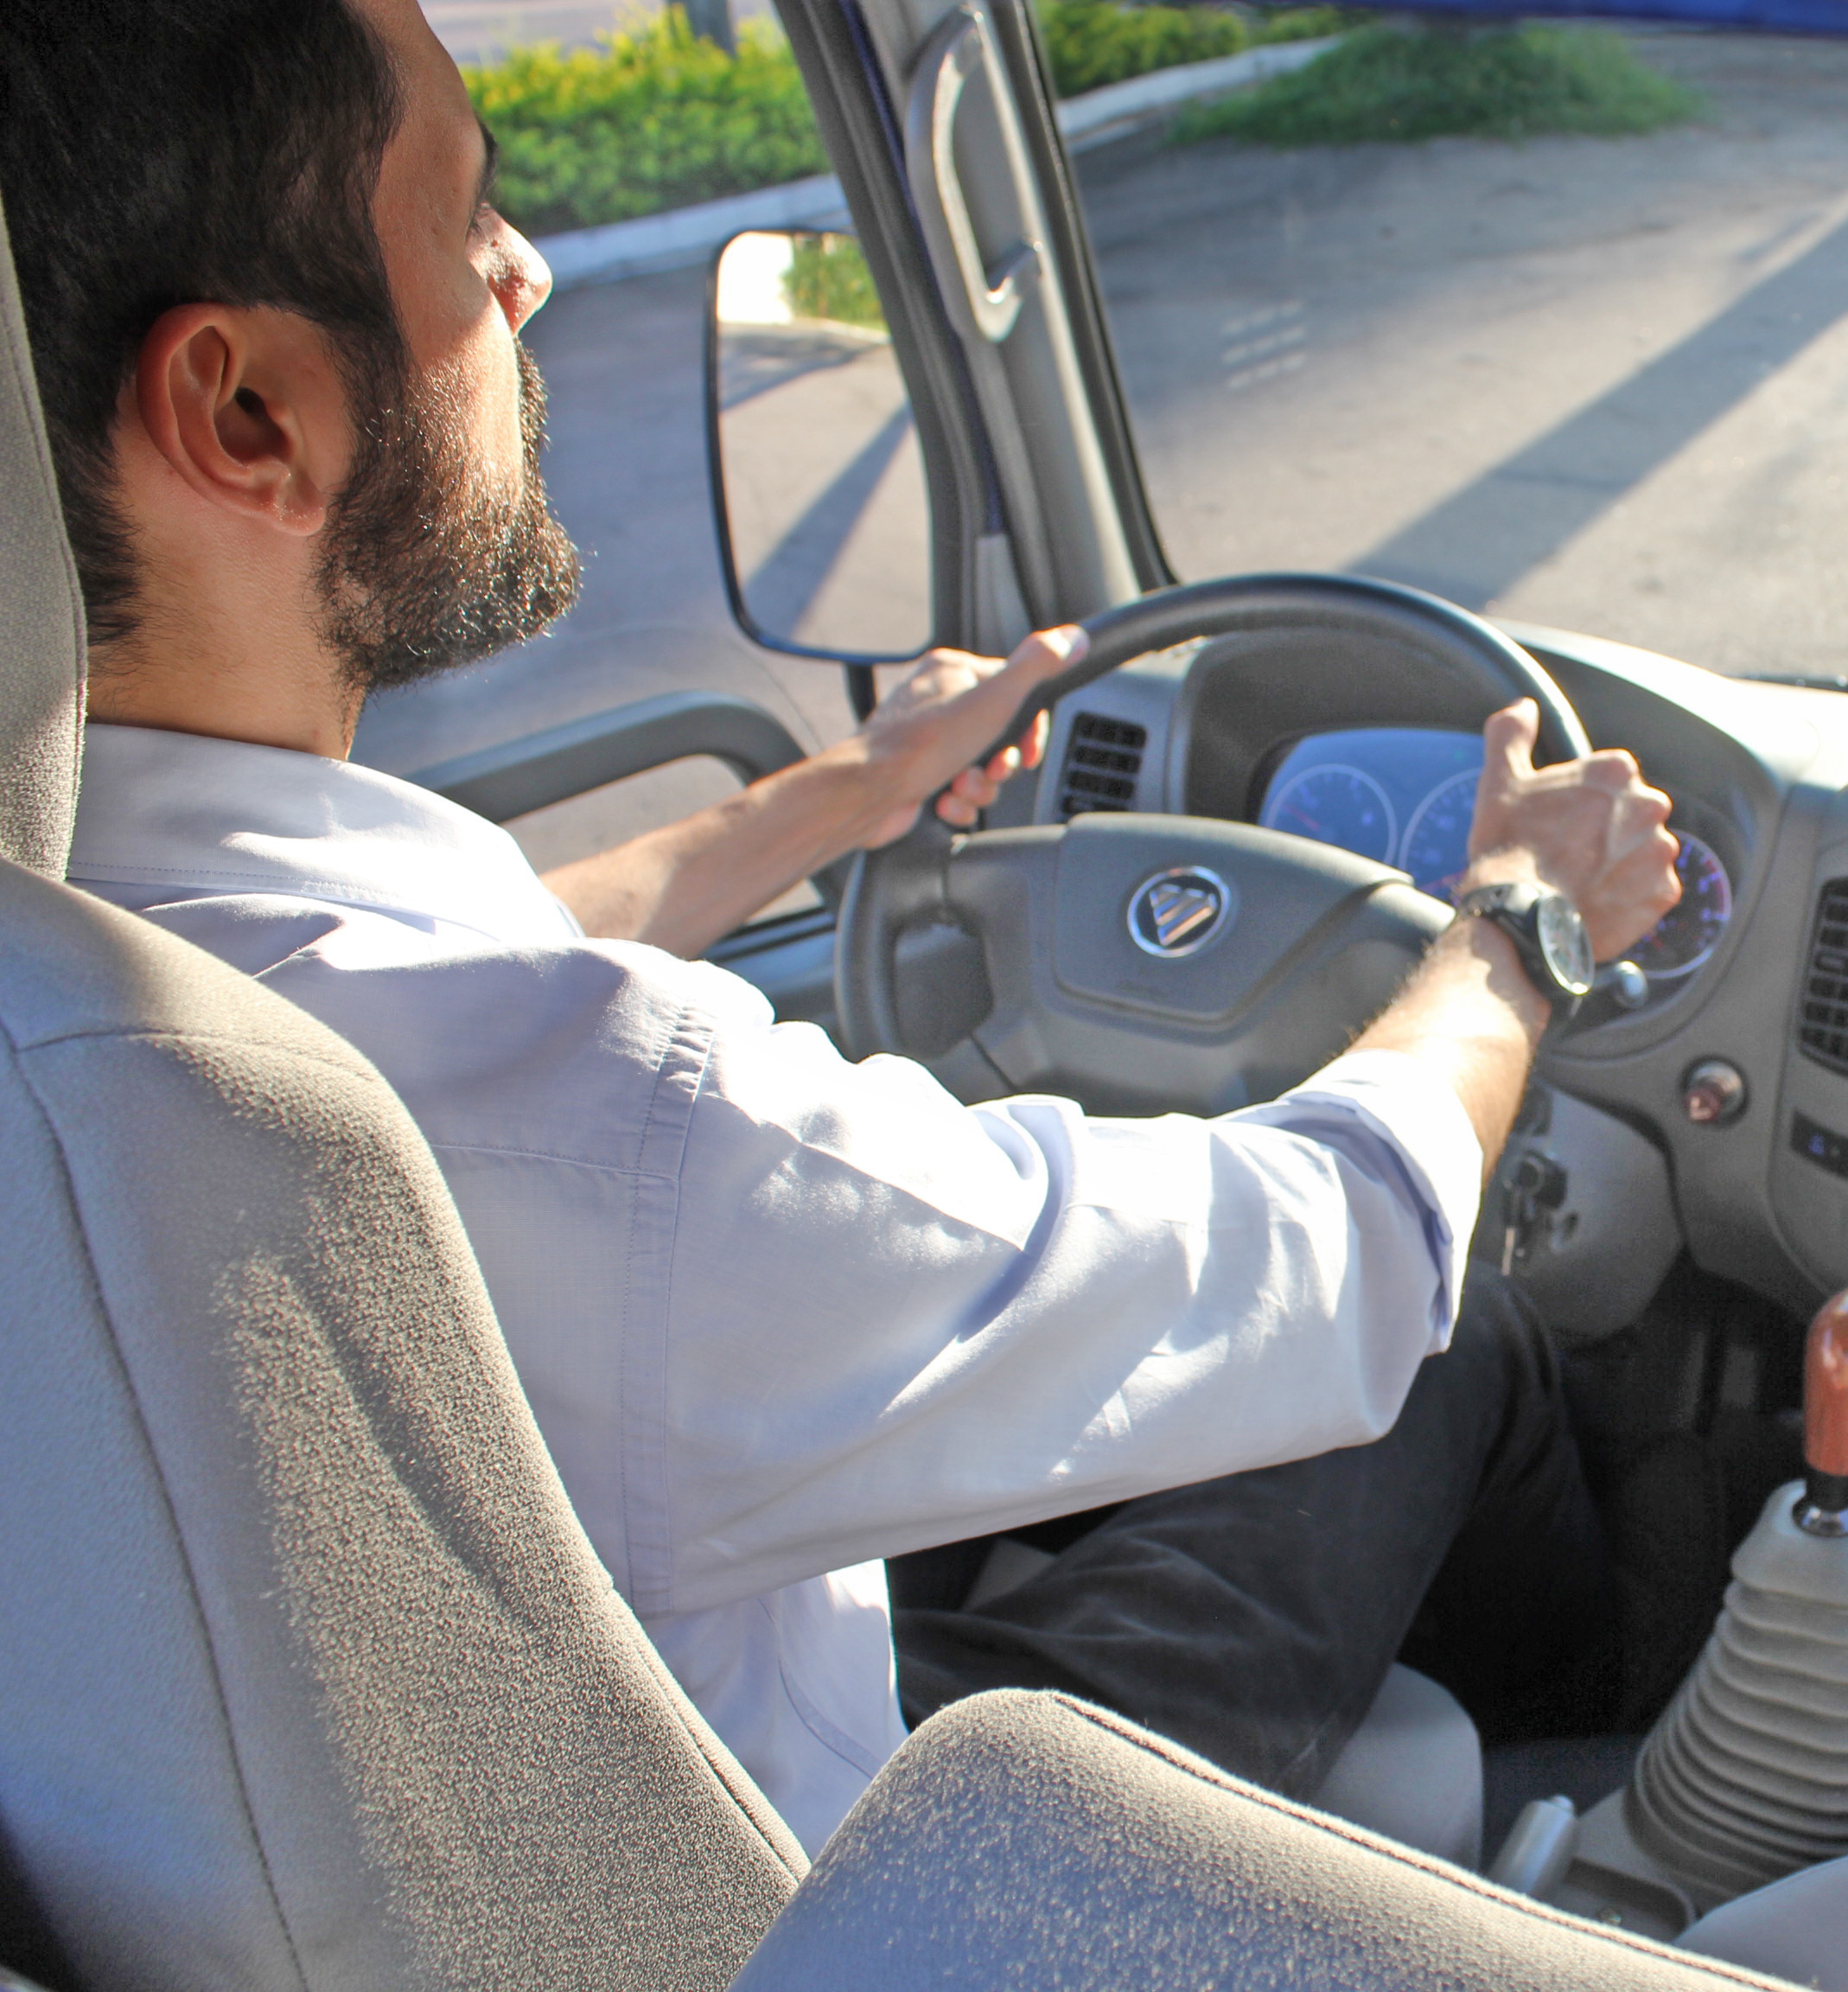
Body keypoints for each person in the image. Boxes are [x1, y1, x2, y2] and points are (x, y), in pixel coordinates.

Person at [0, 0, 1681, 1853]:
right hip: (826, 1898)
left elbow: (449, 965)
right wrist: (1517, 936)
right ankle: (1595, 1843)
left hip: (463, 1824)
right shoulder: (602, 1133)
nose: (528, 274)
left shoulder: (94, 950)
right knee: (1462, 1342)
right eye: (467, 217)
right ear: (250, 413)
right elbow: (1323, 1260)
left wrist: (840, 798)